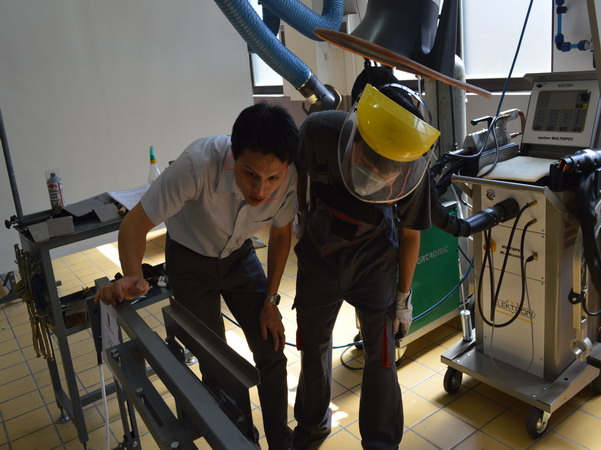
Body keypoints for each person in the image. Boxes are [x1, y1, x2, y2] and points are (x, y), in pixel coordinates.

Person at [95, 102, 298, 449]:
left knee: (271, 347)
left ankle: (281, 440)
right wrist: (133, 276)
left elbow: (281, 233)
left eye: (273, 178)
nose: (261, 190)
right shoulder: (197, 165)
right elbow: (135, 223)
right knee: (215, 359)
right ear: (234, 157)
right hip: (190, 260)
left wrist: (270, 300)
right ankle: (239, 441)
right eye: (251, 174)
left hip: (239, 255)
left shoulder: (290, 174)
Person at [292, 81, 439, 449]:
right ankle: (311, 427)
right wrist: (300, 218)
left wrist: (403, 297)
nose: (375, 173)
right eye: (368, 161)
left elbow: (410, 234)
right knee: (312, 344)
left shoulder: (413, 162)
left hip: (375, 260)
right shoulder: (318, 131)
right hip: (319, 252)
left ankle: (381, 442)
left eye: (387, 170)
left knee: (382, 353)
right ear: (355, 135)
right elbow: (301, 175)